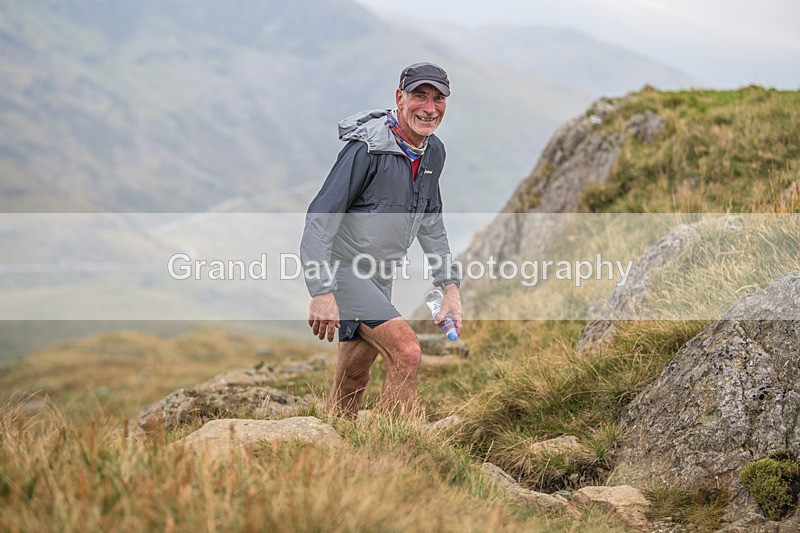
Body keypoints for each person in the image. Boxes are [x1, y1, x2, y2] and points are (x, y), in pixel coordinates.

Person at [300, 62, 463, 418]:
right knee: (406, 352)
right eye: (419, 96)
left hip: (379, 277)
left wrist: (449, 287)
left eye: (438, 99)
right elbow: (320, 217)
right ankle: (398, 450)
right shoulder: (367, 150)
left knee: (354, 375)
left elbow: (431, 224)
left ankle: (335, 444)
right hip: (344, 272)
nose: (429, 108)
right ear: (399, 98)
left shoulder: (434, 152)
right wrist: (321, 291)